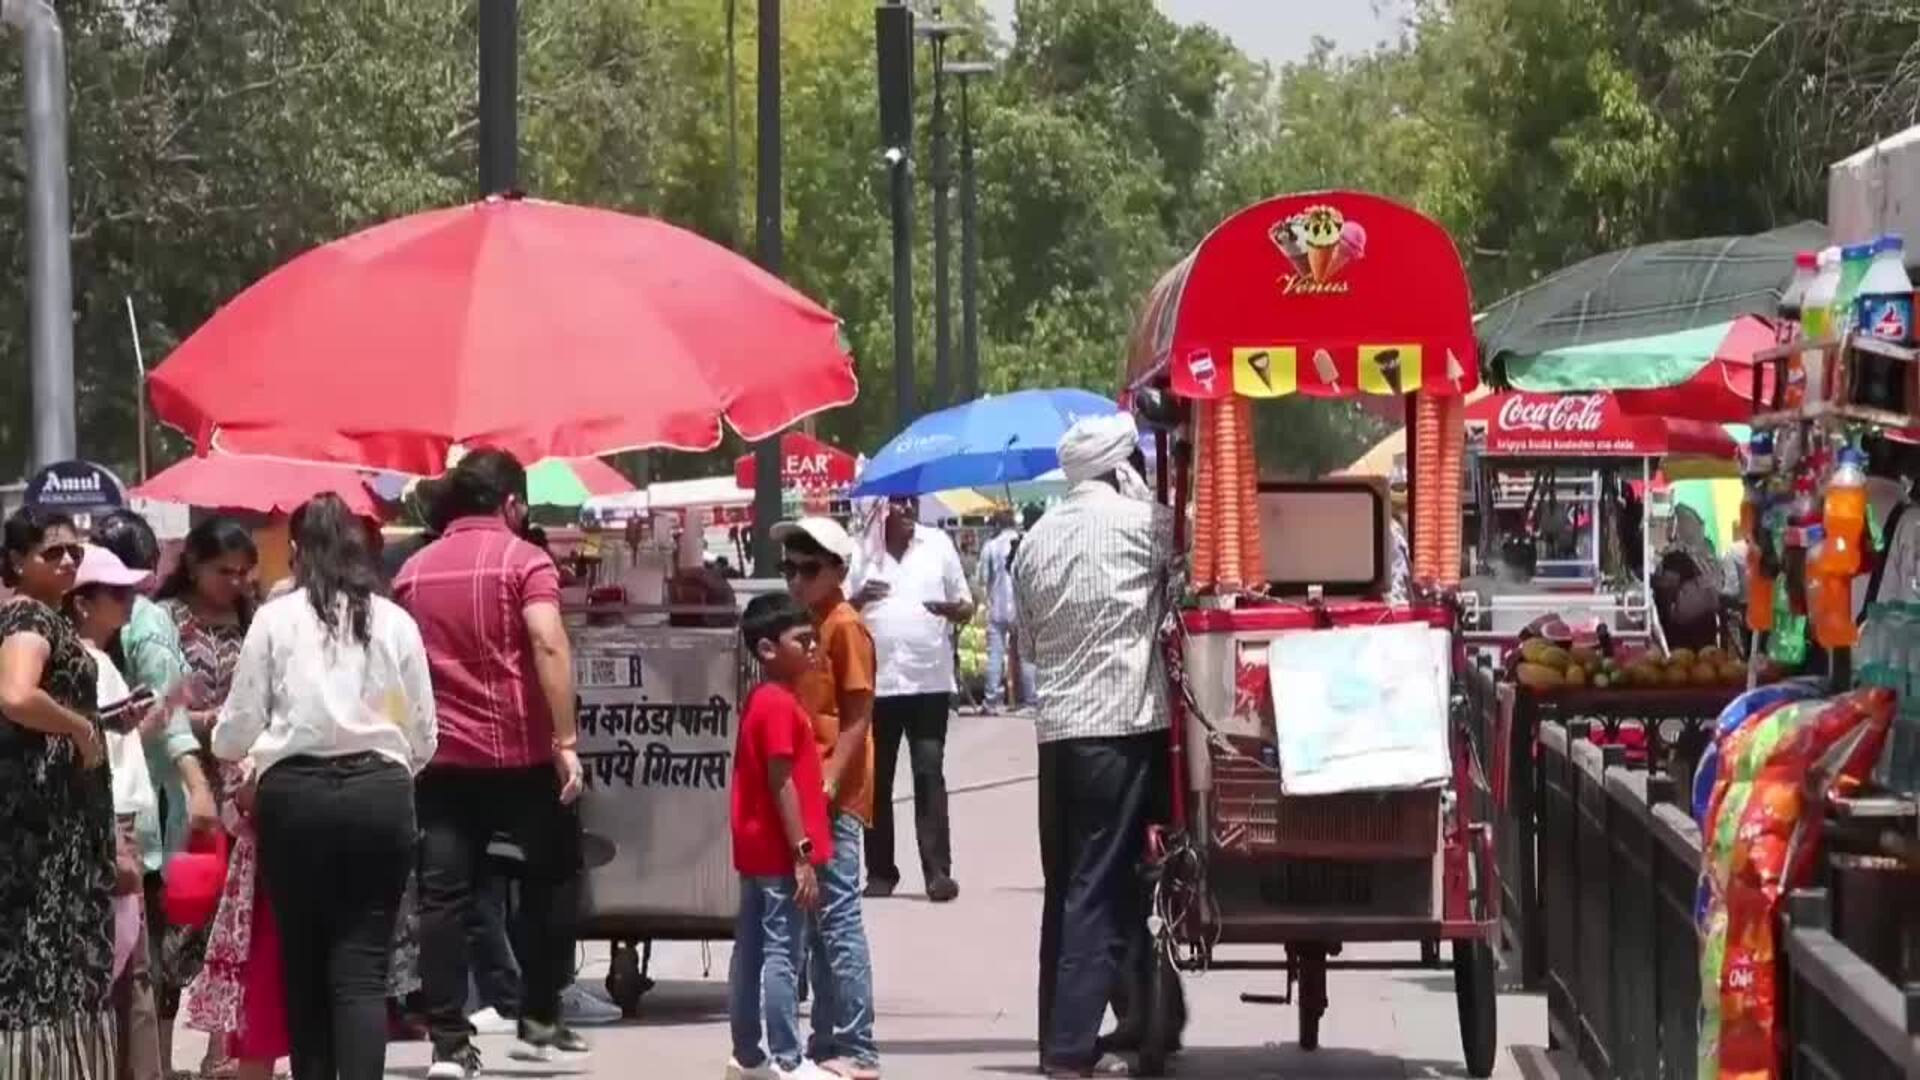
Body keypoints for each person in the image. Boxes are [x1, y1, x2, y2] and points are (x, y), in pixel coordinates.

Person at [394, 449, 588, 1078]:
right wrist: (566, 742)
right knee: (553, 878)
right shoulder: (525, 560)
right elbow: (547, 640)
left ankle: (449, 1045)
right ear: (512, 503)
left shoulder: (413, 573)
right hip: (523, 757)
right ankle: (537, 1012)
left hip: (442, 765)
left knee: (443, 900)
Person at [1013, 414, 1181, 1078]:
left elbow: (1027, 644)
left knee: (1070, 888)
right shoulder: (1146, 525)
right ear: (1123, 469)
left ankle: (1121, 1022)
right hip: (1123, 730)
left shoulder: (1034, 539)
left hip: (1059, 736)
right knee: (1096, 890)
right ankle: (1068, 1050)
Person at [90, 510, 223, 1071]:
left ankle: (156, 1065)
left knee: (146, 955)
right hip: (130, 812)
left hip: (143, 814)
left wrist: (193, 783)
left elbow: (164, 715)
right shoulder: (130, 625)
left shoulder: (141, 625)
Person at [0, 508, 117, 1073]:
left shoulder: (46, 615)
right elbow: (17, 696)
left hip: (57, 819)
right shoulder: (30, 618)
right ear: (19, 561)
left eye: (75, 550)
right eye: (52, 552)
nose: (69, 559)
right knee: (42, 961)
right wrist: (78, 727)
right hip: (43, 827)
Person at [770, 517, 881, 1080]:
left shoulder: (844, 626)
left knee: (837, 919)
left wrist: (833, 780)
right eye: (788, 569)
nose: (795, 580)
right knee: (816, 922)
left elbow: (859, 715)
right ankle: (828, 1041)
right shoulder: (807, 626)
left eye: (807, 569)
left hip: (831, 794)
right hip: (808, 790)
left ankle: (858, 1046)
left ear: (838, 570)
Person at [66, 544, 181, 1080]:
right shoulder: (88, 663)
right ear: (82, 603)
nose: (128, 600)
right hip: (114, 828)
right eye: (116, 592)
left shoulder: (93, 662)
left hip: (116, 826)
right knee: (128, 972)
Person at [156, 516, 261, 1071]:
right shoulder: (164, 622)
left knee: (233, 925)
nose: (236, 582)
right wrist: (206, 722)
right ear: (194, 565)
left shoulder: (254, 619)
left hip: (241, 793)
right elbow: (151, 705)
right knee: (178, 922)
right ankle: (163, 1053)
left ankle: (224, 1054)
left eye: (245, 573)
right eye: (225, 571)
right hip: (183, 789)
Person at [725, 594, 837, 1080]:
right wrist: (802, 854)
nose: (813, 648)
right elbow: (781, 780)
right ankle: (787, 1060)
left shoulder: (765, 699)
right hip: (778, 852)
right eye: (802, 641)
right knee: (781, 955)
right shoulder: (777, 705)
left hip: (758, 850)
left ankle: (748, 1055)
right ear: (768, 649)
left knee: (751, 950)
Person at [849, 497, 972, 903]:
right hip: (877, 684)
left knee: (928, 773)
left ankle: (938, 873)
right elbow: (839, 608)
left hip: (928, 682)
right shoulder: (861, 552)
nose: (906, 507)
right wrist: (860, 598)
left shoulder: (937, 544)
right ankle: (881, 873)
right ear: (880, 508)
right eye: (897, 501)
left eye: (910, 500)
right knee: (877, 780)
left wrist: (952, 610)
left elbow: (966, 605)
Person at [977, 511, 1035, 710]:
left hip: (998, 606)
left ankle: (991, 699)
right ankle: (1031, 700)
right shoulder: (1026, 542)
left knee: (995, 654)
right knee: (1026, 653)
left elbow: (982, 579)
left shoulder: (991, 547)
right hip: (1022, 605)